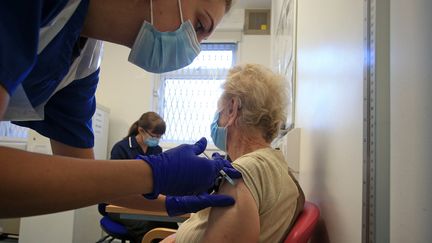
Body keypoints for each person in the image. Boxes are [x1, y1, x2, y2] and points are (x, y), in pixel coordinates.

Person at [0, 0, 240, 218]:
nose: (194, 48)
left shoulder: (83, 63)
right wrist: (152, 174)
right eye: (199, 25)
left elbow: (89, 181)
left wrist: (174, 203)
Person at [161, 64, 305, 243]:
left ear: (232, 109)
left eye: (218, 112)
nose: (215, 120)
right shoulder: (277, 164)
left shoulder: (240, 173)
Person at [107, 112, 178, 242]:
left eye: (159, 137)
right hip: (119, 203)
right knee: (145, 227)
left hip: (146, 201)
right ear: (141, 130)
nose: (156, 140)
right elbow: (114, 184)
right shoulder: (121, 148)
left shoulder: (156, 150)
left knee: (171, 226)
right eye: (154, 136)